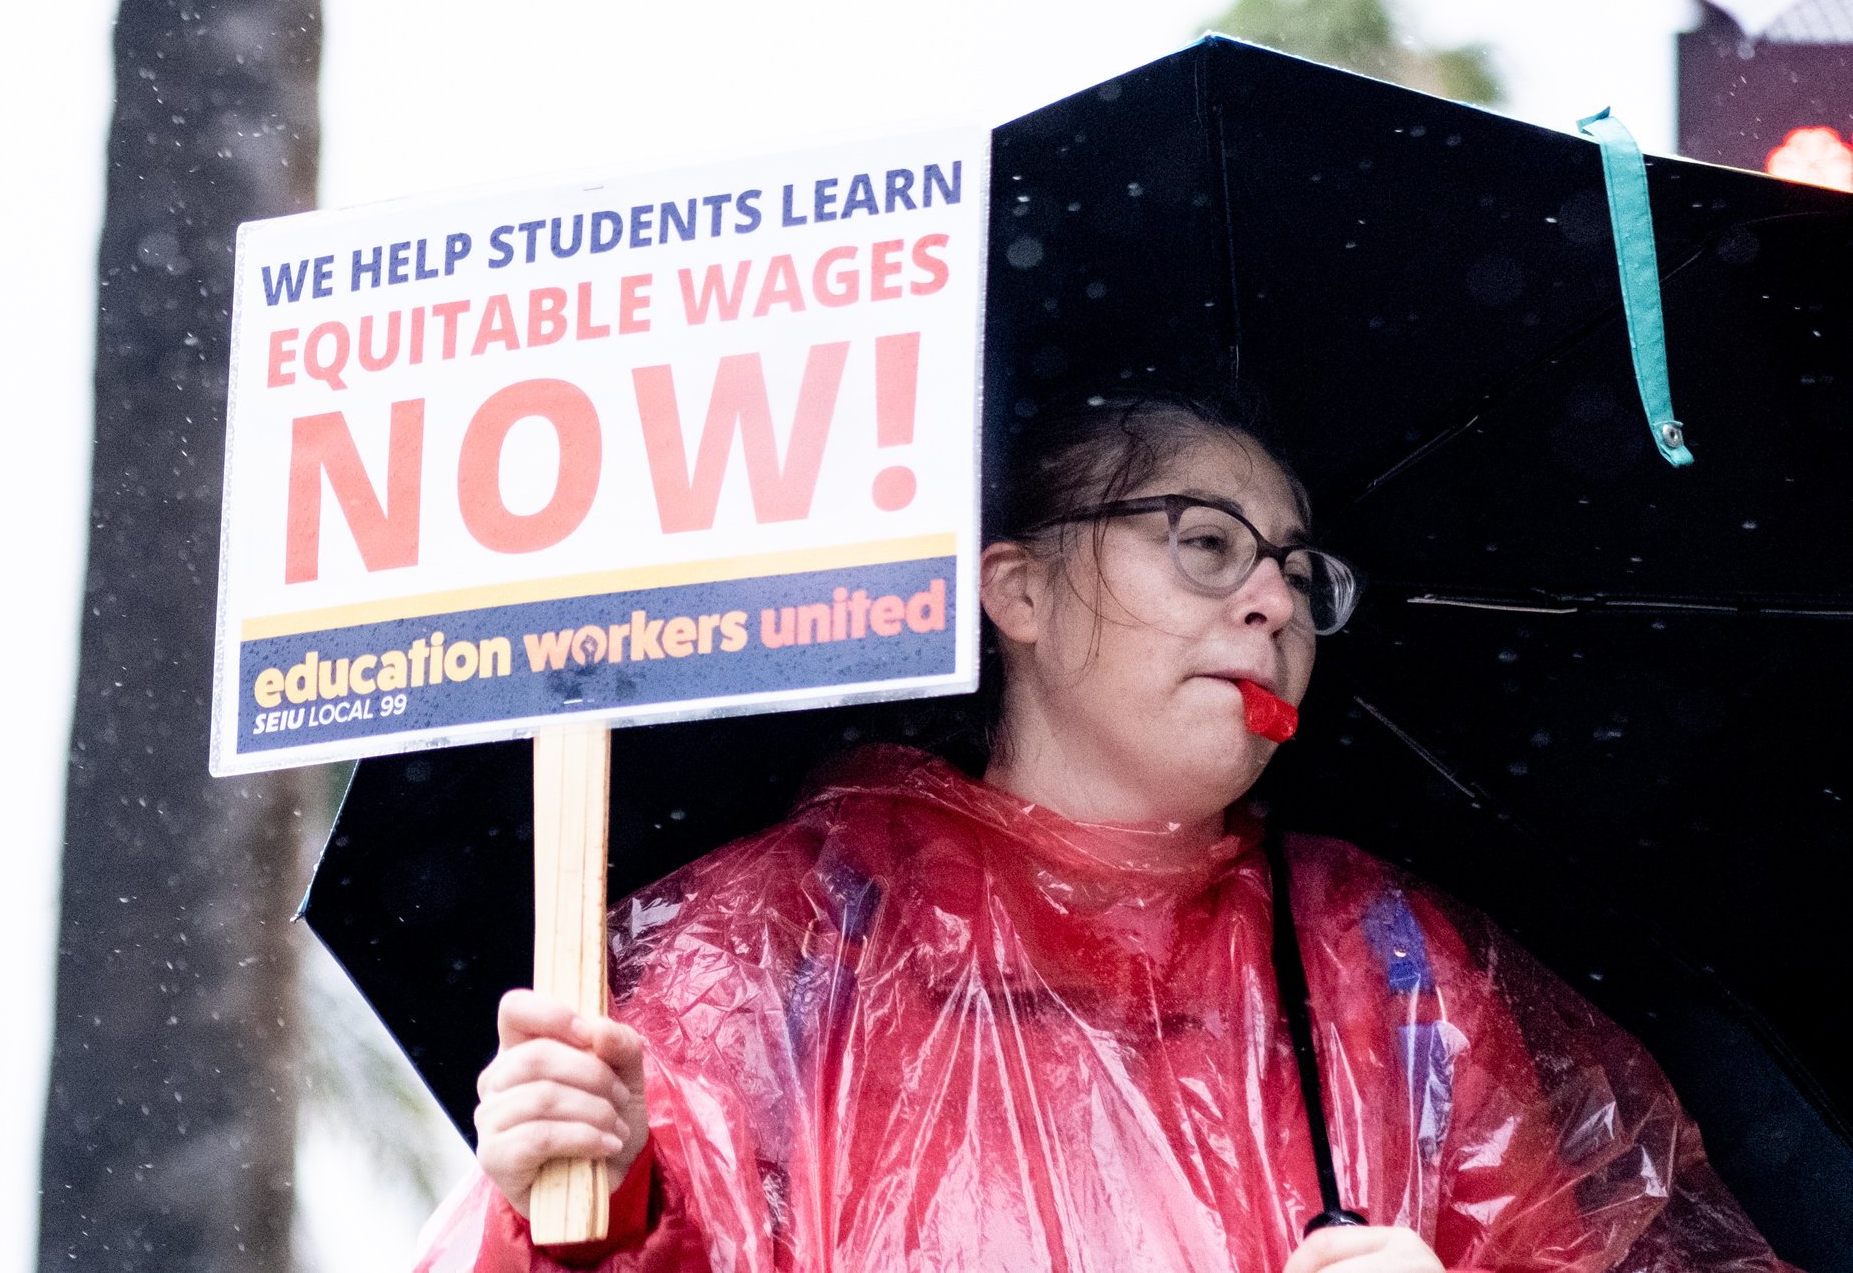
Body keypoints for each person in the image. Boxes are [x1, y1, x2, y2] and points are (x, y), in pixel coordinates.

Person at [417, 392, 1792, 1273]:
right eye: (1204, 540)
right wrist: (568, 1217)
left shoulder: (1387, 966)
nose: (1273, 600)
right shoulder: (784, 940)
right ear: (1014, 588)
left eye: (1302, 571)